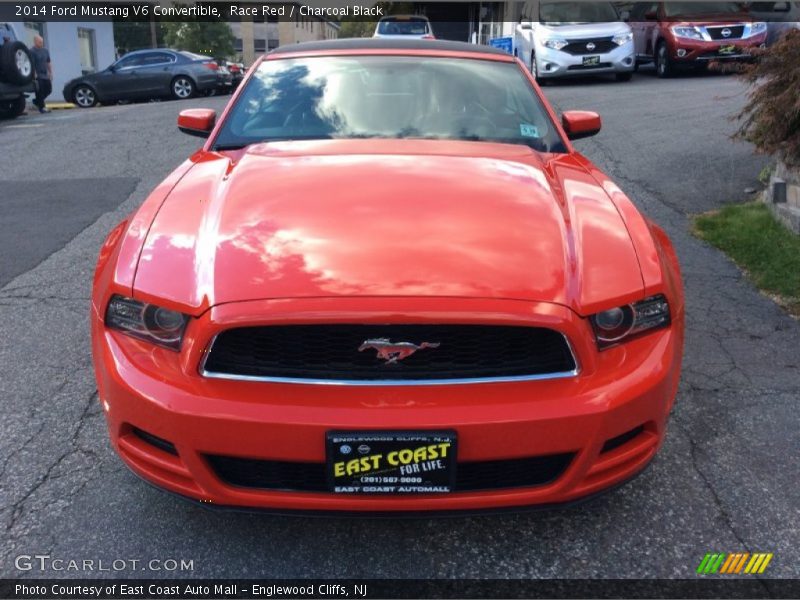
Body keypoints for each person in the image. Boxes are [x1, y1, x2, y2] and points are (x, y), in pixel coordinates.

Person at [29, 35, 52, 114]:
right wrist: (34, 73)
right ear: (35, 42)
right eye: (40, 42)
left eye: (42, 42)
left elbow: (48, 62)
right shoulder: (32, 51)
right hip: (37, 75)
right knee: (40, 91)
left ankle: (36, 101)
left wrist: (50, 72)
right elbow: (31, 64)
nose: (41, 43)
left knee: (49, 89)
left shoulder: (45, 50)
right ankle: (42, 108)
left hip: (45, 74)